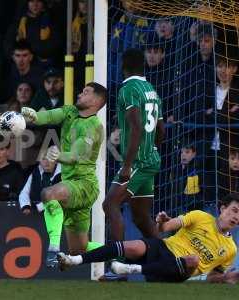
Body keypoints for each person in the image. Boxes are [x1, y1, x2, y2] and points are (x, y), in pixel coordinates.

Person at [58, 193, 239, 284]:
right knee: (134, 246)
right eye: (234, 210)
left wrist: (225, 278)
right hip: (164, 248)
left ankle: (128, 269)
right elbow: (165, 228)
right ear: (222, 208)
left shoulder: (230, 249)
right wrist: (162, 222)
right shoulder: (200, 216)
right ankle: (73, 260)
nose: (236, 217)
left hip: (177, 271)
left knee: (193, 259)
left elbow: (212, 277)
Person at [21, 82, 106, 268]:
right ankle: (122, 254)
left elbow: (75, 156)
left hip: (84, 185)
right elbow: (50, 115)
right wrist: (33, 116)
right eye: (81, 90)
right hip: (70, 186)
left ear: (96, 101)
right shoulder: (70, 111)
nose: (80, 94)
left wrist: (57, 155)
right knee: (79, 250)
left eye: (86, 92)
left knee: (47, 194)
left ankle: (52, 249)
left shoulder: (94, 126)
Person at [103, 48, 165, 242]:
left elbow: (137, 127)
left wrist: (128, 165)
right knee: (140, 217)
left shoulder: (128, 89)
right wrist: (152, 149)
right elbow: (161, 130)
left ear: (123, 66)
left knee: (110, 205)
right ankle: (165, 259)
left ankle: (118, 262)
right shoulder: (151, 91)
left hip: (138, 161)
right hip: (150, 158)